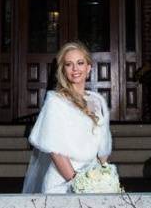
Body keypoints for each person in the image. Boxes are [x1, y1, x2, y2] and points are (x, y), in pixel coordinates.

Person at [21, 40, 113, 193]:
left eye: (80, 63)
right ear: (63, 70)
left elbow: (103, 148)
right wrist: (79, 184)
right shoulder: (56, 102)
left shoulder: (97, 101)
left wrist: (103, 178)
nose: (75, 69)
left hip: (93, 181)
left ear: (89, 67)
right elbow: (55, 151)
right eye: (69, 64)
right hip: (63, 183)